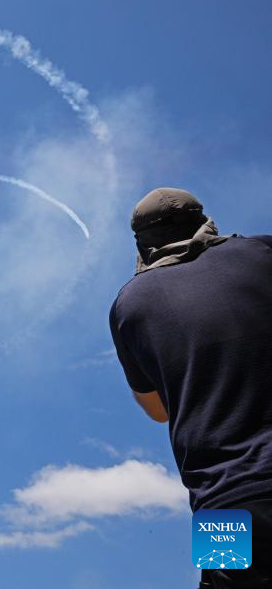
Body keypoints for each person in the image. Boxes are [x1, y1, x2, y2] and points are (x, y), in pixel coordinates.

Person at [109, 187, 272, 588]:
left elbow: (156, 410)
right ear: (203, 220)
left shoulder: (129, 304)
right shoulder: (262, 252)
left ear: (142, 244)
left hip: (221, 503)